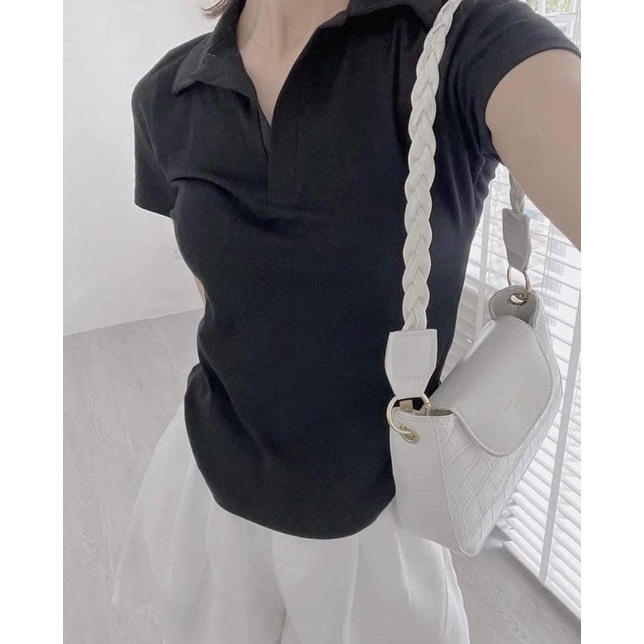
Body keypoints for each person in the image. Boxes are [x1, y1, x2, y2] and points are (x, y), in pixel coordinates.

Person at [110, 0, 581, 642]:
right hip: (206, 486)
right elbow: (222, 302)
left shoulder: (462, 39)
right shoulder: (168, 94)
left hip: (375, 527)